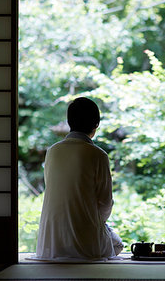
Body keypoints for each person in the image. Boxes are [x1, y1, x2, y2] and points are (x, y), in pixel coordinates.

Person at [36, 97, 123, 260]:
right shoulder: (98, 154)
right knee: (117, 244)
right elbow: (105, 203)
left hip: (51, 241)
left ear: (69, 122)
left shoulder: (52, 151)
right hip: (85, 240)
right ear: (96, 124)